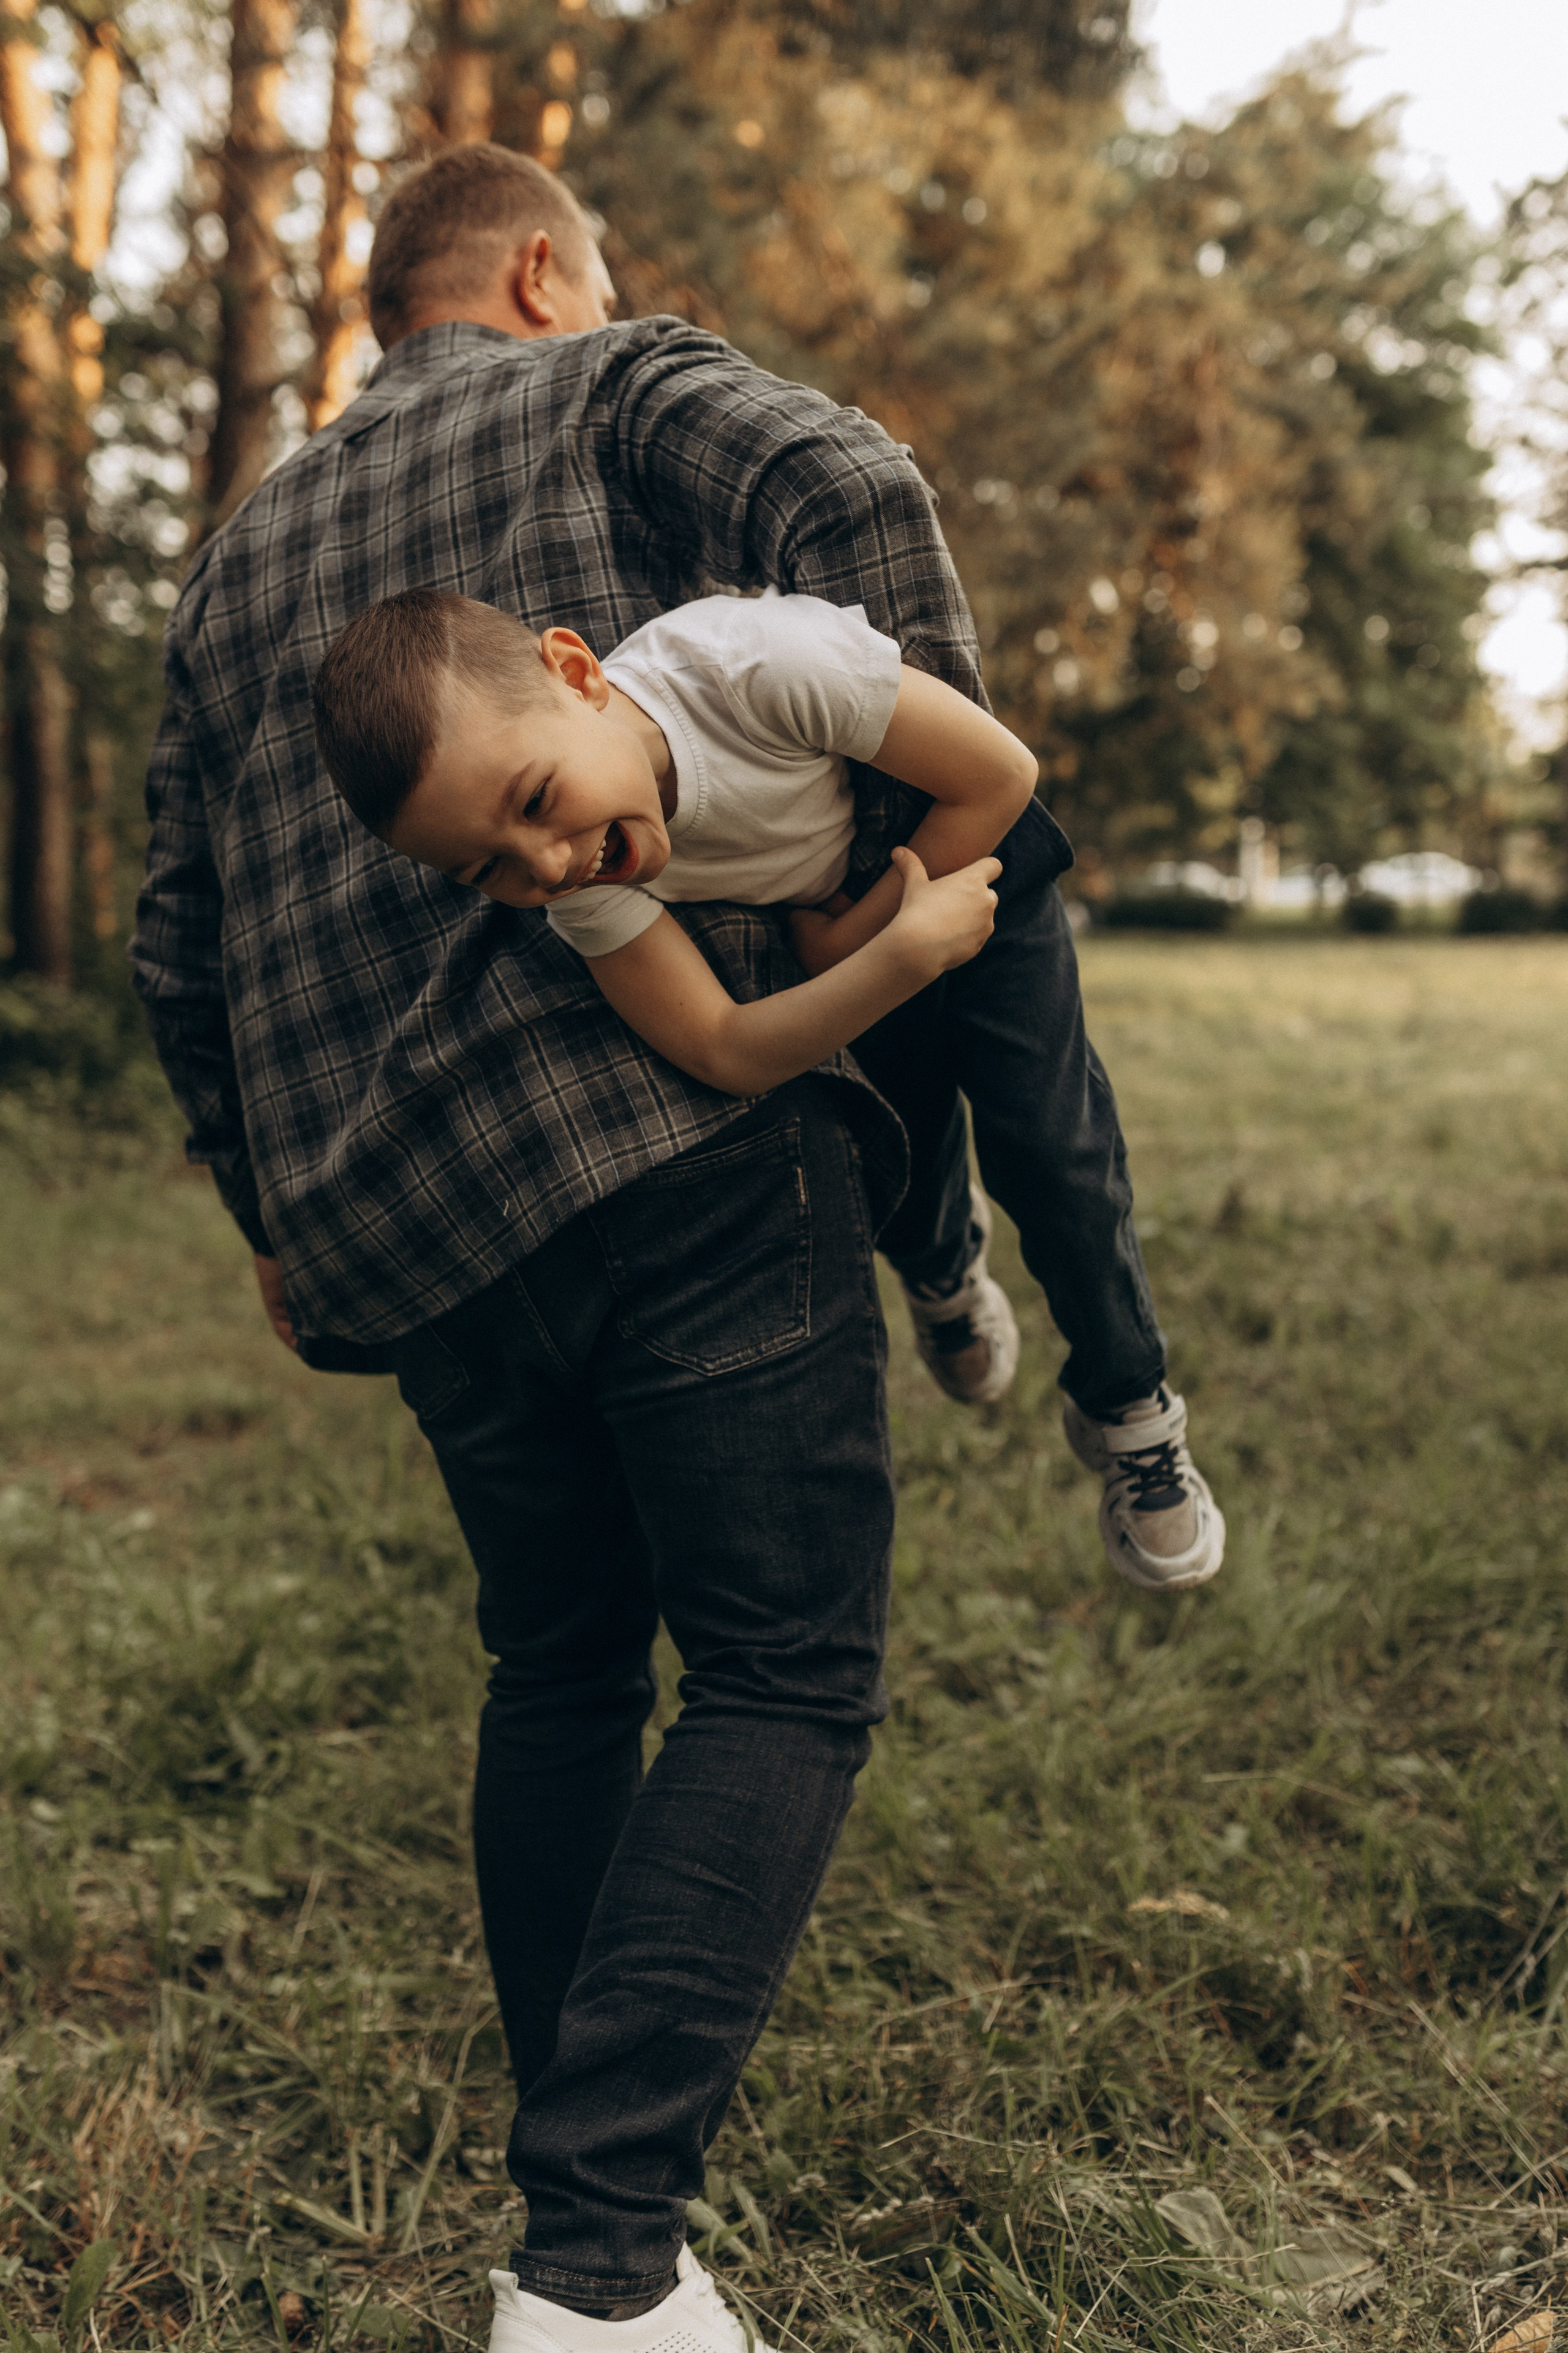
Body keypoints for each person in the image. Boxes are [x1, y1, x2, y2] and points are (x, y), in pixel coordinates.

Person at [125, 142, 1197, 2353]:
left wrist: (266, 1199)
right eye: (592, 278)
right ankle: (597, 2267)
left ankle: (601, 2229)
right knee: (787, 1666)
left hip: (403, 1234)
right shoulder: (609, 382)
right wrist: (892, 871)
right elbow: (859, 485)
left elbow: (174, 938)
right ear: (541, 271)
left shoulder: (239, 569)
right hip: (667, 1150)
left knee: (563, 1671)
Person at [312, 587, 1225, 1594]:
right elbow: (725, 1048)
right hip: (884, 934)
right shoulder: (586, 891)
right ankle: (944, 1273)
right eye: (491, 868)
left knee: (1057, 1149)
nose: (551, 864)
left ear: (576, 674)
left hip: (970, 855)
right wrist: (888, 956)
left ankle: (1131, 1407)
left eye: (535, 801)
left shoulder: (759, 664)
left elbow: (1003, 774)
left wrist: (854, 933)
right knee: (906, 1142)